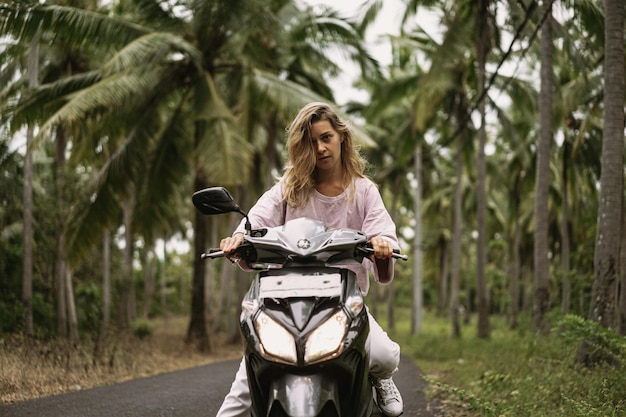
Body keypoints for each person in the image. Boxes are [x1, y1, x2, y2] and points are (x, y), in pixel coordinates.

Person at [216, 102, 404, 417]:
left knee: (384, 356)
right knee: (244, 386)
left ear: (341, 137)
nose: (320, 148)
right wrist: (238, 241)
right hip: (283, 304)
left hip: (342, 303)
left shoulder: (364, 192)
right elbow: (254, 224)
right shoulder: (288, 189)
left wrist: (382, 246)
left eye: (326, 137)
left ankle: (380, 378)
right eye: (311, 142)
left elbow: (382, 240)